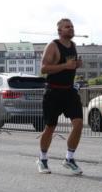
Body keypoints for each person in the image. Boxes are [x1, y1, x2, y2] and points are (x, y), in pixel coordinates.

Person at [36, 18, 84, 175]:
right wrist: (65, 65)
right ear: (59, 31)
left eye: (72, 26)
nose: (71, 29)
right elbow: (44, 68)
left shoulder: (73, 46)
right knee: (50, 128)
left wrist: (76, 65)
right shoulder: (53, 46)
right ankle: (42, 159)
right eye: (67, 27)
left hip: (69, 91)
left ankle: (69, 159)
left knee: (78, 124)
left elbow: (70, 66)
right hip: (53, 92)